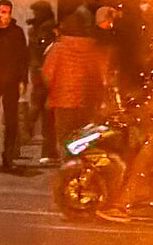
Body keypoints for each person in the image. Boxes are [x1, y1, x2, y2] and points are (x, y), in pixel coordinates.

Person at [42, 13, 110, 151]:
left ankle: (68, 166)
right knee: (85, 138)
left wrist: (51, 90)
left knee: (65, 137)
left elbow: (47, 73)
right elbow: (102, 73)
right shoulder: (92, 48)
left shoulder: (58, 48)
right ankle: (84, 167)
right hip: (86, 101)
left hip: (63, 101)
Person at [0, 0, 28, 169]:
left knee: (11, 118)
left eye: (8, 12)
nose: (6, 15)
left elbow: (23, 56)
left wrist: (23, 79)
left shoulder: (16, 32)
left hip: (11, 79)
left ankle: (8, 155)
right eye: (3, 12)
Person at [25, 1, 59, 163]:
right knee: (42, 112)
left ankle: (48, 149)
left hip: (44, 75)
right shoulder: (40, 27)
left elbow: (40, 50)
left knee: (44, 112)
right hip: (39, 74)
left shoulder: (47, 29)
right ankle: (47, 149)